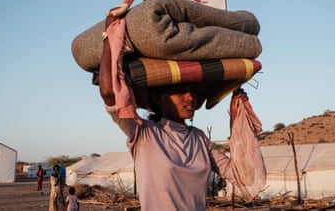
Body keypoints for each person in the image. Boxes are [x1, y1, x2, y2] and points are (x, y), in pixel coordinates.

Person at [99, 35, 265, 210]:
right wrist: (111, 35)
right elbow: (110, 94)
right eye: (179, 91)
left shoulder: (199, 139)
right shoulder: (144, 134)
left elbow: (243, 176)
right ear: (157, 97)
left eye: (193, 91)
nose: (190, 97)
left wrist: (237, 121)